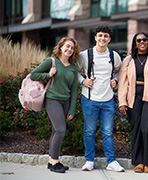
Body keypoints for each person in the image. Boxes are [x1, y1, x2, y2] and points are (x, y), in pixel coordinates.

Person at [76, 26, 125, 172]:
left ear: (109, 39)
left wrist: (115, 80)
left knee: (108, 132)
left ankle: (112, 161)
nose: (102, 38)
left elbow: (120, 72)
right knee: (89, 131)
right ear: (95, 37)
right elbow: (74, 70)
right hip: (90, 99)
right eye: (100, 35)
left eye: (106, 36)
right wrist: (83, 81)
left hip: (108, 100)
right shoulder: (86, 55)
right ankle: (89, 161)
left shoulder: (114, 55)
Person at [118, 32, 148, 173]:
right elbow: (122, 82)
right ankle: (138, 161)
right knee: (136, 130)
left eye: (144, 40)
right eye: (138, 40)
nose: (141, 42)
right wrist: (122, 101)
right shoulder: (128, 60)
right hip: (133, 98)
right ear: (135, 43)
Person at [30, 37, 80, 173]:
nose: (69, 49)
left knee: (55, 131)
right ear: (61, 47)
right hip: (52, 99)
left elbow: (74, 90)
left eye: (72, 48)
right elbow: (33, 75)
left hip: (66, 101)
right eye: (67, 46)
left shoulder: (73, 68)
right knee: (60, 130)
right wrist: (48, 74)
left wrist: (72, 109)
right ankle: (54, 161)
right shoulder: (51, 62)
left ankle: (52, 161)